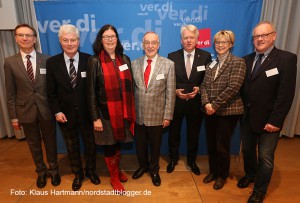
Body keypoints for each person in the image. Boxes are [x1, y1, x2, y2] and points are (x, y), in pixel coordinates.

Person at [238, 21, 297, 203]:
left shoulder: (286, 59)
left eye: (264, 35)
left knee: (265, 157)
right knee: (247, 150)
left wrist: (276, 121)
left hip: (269, 120)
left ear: (274, 36)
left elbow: (286, 94)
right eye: (257, 36)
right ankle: (250, 174)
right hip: (247, 117)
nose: (260, 39)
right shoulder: (246, 60)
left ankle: (259, 191)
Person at [4, 24, 60, 189]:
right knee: (33, 144)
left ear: (34, 39)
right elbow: (10, 93)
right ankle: (41, 171)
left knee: (50, 142)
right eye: (21, 35)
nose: (25, 38)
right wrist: (14, 116)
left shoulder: (47, 60)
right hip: (25, 111)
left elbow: (52, 89)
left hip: (46, 110)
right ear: (16, 38)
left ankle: (54, 170)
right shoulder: (10, 62)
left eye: (28, 35)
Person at [46, 24, 100, 191]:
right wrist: (57, 111)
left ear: (79, 41)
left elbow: (95, 89)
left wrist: (95, 114)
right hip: (65, 115)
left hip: (87, 114)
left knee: (91, 146)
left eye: (73, 40)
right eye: (65, 40)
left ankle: (91, 171)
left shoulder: (89, 60)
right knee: (72, 147)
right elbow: (50, 92)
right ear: (60, 42)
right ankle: (78, 174)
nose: (70, 43)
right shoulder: (52, 63)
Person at [86, 24, 135, 193]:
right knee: (109, 145)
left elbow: (129, 88)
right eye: (106, 37)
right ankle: (114, 177)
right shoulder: (94, 61)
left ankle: (117, 169)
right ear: (101, 40)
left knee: (118, 143)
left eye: (113, 36)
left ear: (117, 39)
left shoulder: (125, 59)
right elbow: (90, 92)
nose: (110, 40)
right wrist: (95, 117)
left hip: (122, 112)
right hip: (105, 114)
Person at [201, 30, 246, 190]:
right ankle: (213, 171)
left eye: (224, 42)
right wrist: (206, 103)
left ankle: (222, 175)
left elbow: (233, 88)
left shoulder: (238, 62)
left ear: (231, 44)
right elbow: (204, 86)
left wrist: (214, 105)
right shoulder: (212, 64)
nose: (220, 45)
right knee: (212, 144)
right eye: (218, 42)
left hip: (228, 111)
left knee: (222, 146)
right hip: (209, 111)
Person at [131, 31, 176, 186]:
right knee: (140, 145)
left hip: (157, 114)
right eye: (147, 43)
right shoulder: (134, 63)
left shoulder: (168, 64)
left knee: (155, 146)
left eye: (153, 43)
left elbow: (170, 92)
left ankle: (154, 170)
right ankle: (142, 166)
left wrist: (167, 115)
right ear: (143, 45)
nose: (150, 46)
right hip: (138, 114)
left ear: (158, 45)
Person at [167, 24, 211, 175]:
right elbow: (168, 80)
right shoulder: (172, 56)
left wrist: (199, 89)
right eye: (185, 37)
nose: (188, 40)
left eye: (192, 37)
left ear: (197, 39)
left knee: (193, 134)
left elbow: (208, 80)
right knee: (174, 133)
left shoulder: (205, 56)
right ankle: (173, 159)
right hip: (176, 103)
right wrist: (175, 91)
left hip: (195, 103)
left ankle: (192, 161)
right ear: (181, 40)